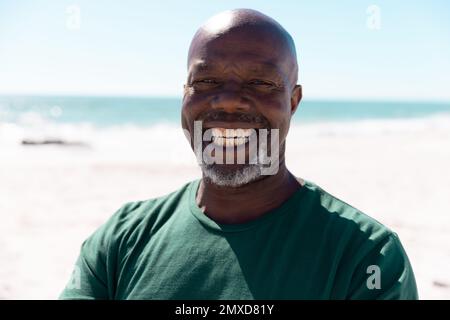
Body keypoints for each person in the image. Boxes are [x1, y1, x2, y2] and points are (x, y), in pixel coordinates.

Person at [60, 8, 418, 300]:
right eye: (206, 81)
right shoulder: (120, 239)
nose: (229, 99)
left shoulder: (367, 257)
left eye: (260, 83)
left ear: (293, 102)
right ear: (184, 94)